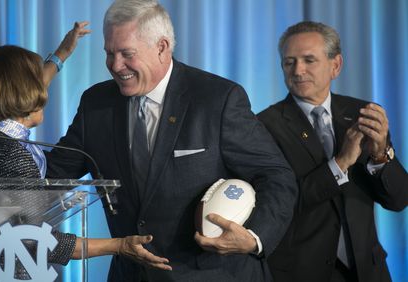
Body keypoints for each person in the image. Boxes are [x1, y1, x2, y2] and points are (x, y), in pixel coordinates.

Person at [46, 1, 297, 281]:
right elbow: (50, 175)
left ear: (162, 47)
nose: (116, 66)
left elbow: (276, 176)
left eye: (127, 54)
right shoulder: (96, 104)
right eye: (109, 54)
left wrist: (253, 238)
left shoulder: (217, 99)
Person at [0, 21, 170, 280]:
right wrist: (119, 246)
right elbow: (39, 241)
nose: (43, 92)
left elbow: (24, 90)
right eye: (36, 87)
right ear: (23, 96)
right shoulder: (15, 158)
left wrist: (61, 54)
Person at [257, 21, 408, 282]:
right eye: (289, 62)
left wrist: (381, 155)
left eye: (309, 60)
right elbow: (279, 205)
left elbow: (398, 200)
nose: (298, 70)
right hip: (300, 274)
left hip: (368, 272)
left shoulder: (364, 114)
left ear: (335, 65)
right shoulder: (262, 126)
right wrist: (340, 163)